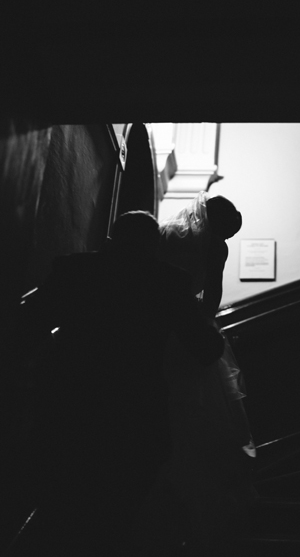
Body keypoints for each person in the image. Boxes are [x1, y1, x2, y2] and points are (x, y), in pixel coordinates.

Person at [23, 211, 225, 555]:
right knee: (120, 511)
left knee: (61, 503)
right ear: (153, 245)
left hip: (69, 404)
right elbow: (206, 348)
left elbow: (30, 321)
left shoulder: (73, 269)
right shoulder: (169, 281)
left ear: (112, 237)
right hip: (136, 410)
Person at [135, 192, 254, 555]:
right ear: (221, 228)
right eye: (229, 234)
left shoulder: (168, 231)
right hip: (184, 330)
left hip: (149, 329)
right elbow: (212, 299)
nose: (227, 241)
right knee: (197, 411)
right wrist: (200, 320)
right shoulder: (215, 248)